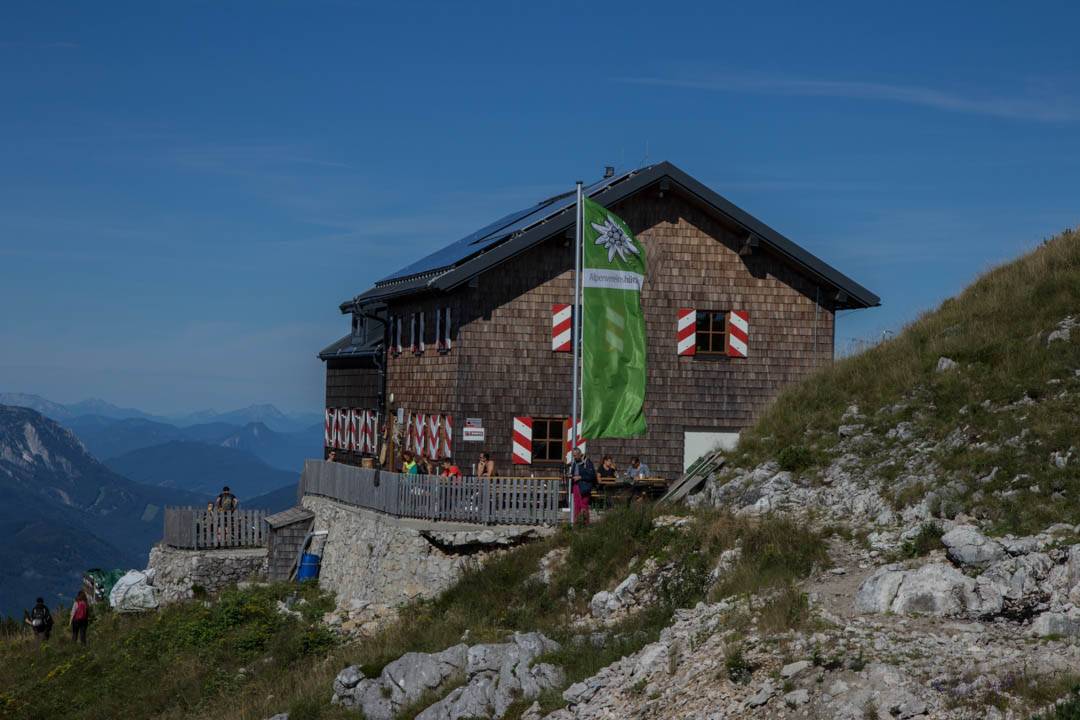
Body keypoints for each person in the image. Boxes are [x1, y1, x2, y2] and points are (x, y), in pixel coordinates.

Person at [568, 447, 596, 526]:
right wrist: (571, 475)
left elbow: (592, 476)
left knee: (584, 505)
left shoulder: (587, 462)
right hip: (576, 485)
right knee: (576, 505)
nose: (575, 457)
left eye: (576, 455)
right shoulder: (574, 463)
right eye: (573, 455)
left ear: (580, 454)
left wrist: (580, 477)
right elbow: (574, 473)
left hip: (584, 486)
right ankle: (577, 523)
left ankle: (585, 523)